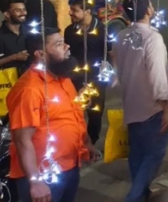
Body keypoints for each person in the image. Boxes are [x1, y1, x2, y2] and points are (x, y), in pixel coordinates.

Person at [8, 28, 101, 202]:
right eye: (59, 44)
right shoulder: (29, 90)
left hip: (70, 167)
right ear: (40, 54)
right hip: (44, 175)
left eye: (64, 42)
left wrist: (86, 144)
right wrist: (35, 182)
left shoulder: (63, 78)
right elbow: (22, 140)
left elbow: (73, 116)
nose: (67, 46)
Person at [114, 0, 168, 202]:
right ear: (148, 10)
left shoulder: (121, 36)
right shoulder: (152, 38)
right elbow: (157, 75)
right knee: (154, 154)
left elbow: (117, 71)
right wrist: (166, 106)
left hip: (131, 102)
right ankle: (135, 196)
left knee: (137, 153)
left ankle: (142, 193)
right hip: (151, 106)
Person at [64, 0, 112, 144]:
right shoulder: (69, 31)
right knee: (74, 110)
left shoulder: (102, 30)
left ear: (87, 11)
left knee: (95, 113)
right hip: (75, 78)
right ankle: (74, 141)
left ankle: (91, 142)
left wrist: (112, 75)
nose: (70, 13)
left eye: (74, 10)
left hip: (96, 79)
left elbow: (111, 53)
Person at [0, 0, 29, 74]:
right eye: (18, 10)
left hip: (31, 78)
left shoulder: (31, 32)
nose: (23, 13)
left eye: (24, 9)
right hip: (8, 79)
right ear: (7, 14)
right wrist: (14, 57)